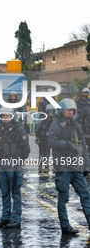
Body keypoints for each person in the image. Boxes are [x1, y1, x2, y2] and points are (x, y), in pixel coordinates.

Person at [48, 98, 90, 235]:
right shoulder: (56, 124)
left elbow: (83, 146)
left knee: (86, 195)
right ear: (62, 110)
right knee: (63, 197)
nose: (70, 112)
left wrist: (86, 164)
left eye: (72, 110)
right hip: (63, 166)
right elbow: (52, 142)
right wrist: (67, 144)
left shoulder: (77, 126)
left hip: (76, 166)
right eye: (68, 110)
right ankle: (65, 226)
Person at [0, 107, 30, 229]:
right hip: (2, 165)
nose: (5, 118)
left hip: (14, 166)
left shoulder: (19, 129)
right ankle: (5, 217)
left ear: (12, 116)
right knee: (4, 193)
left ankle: (16, 219)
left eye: (7, 116)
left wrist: (18, 161)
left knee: (15, 193)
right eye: (3, 116)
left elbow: (26, 149)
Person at [35, 104, 56, 172]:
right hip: (43, 138)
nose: (50, 113)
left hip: (52, 138)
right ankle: (41, 165)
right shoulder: (42, 102)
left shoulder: (55, 119)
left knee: (53, 152)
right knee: (42, 152)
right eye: (49, 111)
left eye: (52, 111)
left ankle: (54, 166)